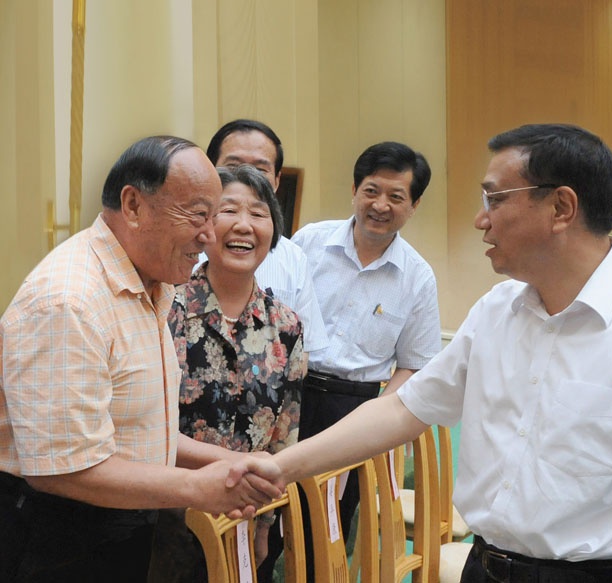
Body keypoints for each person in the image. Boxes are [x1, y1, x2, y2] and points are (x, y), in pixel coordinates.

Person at [240, 124, 612, 583]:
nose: (481, 219)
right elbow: (403, 410)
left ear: (561, 208)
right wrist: (279, 468)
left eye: (495, 199)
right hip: (486, 567)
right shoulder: (498, 308)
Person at [0, 136, 281, 583]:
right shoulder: (70, 302)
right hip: (60, 536)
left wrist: (226, 463)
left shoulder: (151, 284)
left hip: (120, 524)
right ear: (133, 206)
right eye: (198, 215)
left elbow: (139, 431)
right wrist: (195, 488)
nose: (210, 235)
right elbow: (63, 471)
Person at [148, 165, 306, 582]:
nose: (243, 225)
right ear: (203, 228)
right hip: (162, 520)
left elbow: (284, 436)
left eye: (258, 213)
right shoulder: (164, 310)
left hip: (245, 519)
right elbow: (148, 431)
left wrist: (265, 524)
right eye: (228, 210)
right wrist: (235, 462)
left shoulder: (286, 326)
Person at [290, 140, 441, 543]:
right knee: (265, 514)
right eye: (371, 191)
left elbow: (415, 365)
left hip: (353, 408)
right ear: (355, 190)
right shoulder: (308, 243)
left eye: (396, 196)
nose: (380, 205)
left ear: (414, 205)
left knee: (327, 530)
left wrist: (377, 418)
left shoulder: (417, 277)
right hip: (289, 395)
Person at [205, 119, 328, 354]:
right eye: (233, 166)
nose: (245, 177)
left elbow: (304, 350)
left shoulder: (293, 258)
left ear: (277, 180)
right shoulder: (182, 248)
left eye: (260, 170)